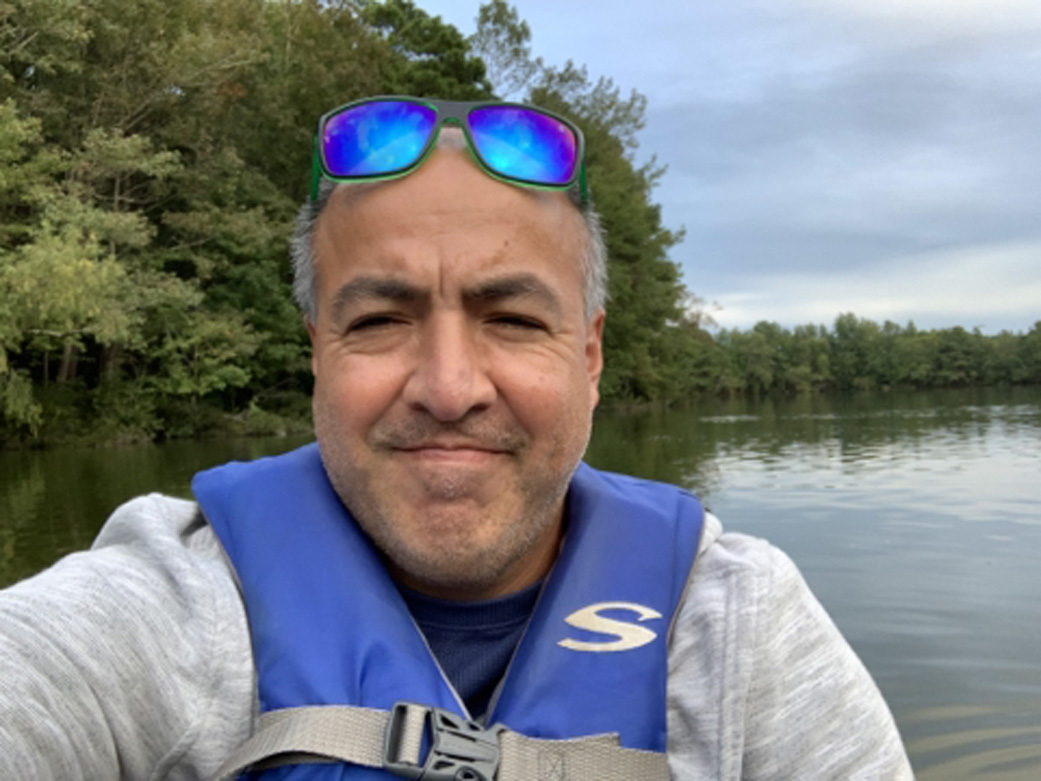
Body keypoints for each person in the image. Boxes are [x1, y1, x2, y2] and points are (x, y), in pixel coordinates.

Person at [0, 97, 913, 780]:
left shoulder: (734, 631)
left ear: (588, 355)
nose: (447, 388)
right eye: (380, 320)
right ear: (317, 352)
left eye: (511, 318)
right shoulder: (166, 611)